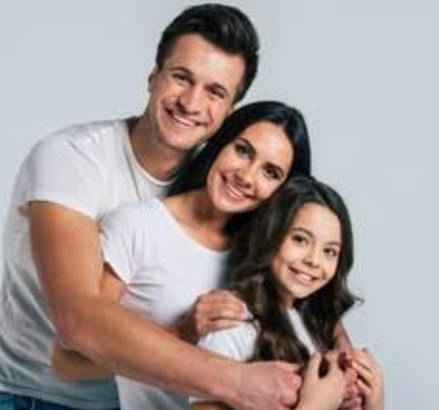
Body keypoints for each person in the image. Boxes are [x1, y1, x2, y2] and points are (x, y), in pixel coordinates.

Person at [0, 4, 305, 410]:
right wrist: (233, 380)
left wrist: (346, 361)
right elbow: (78, 321)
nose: (191, 103)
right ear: (153, 76)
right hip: (30, 395)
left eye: (215, 92)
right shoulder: (71, 159)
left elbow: (304, 278)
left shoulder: (221, 188)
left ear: (229, 112)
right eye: (182, 77)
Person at [51, 101, 312, 409]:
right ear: (220, 142)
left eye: (270, 172)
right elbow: (68, 363)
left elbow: (318, 317)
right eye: (243, 151)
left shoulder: (269, 255)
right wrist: (182, 331)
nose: (246, 176)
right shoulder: (138, 227)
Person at [189, 176, 385, 410]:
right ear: (270, 234)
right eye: (301, 240)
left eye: (330, 251)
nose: (314, 260)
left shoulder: (313, 325)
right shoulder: (231, 324)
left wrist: (373, 405)